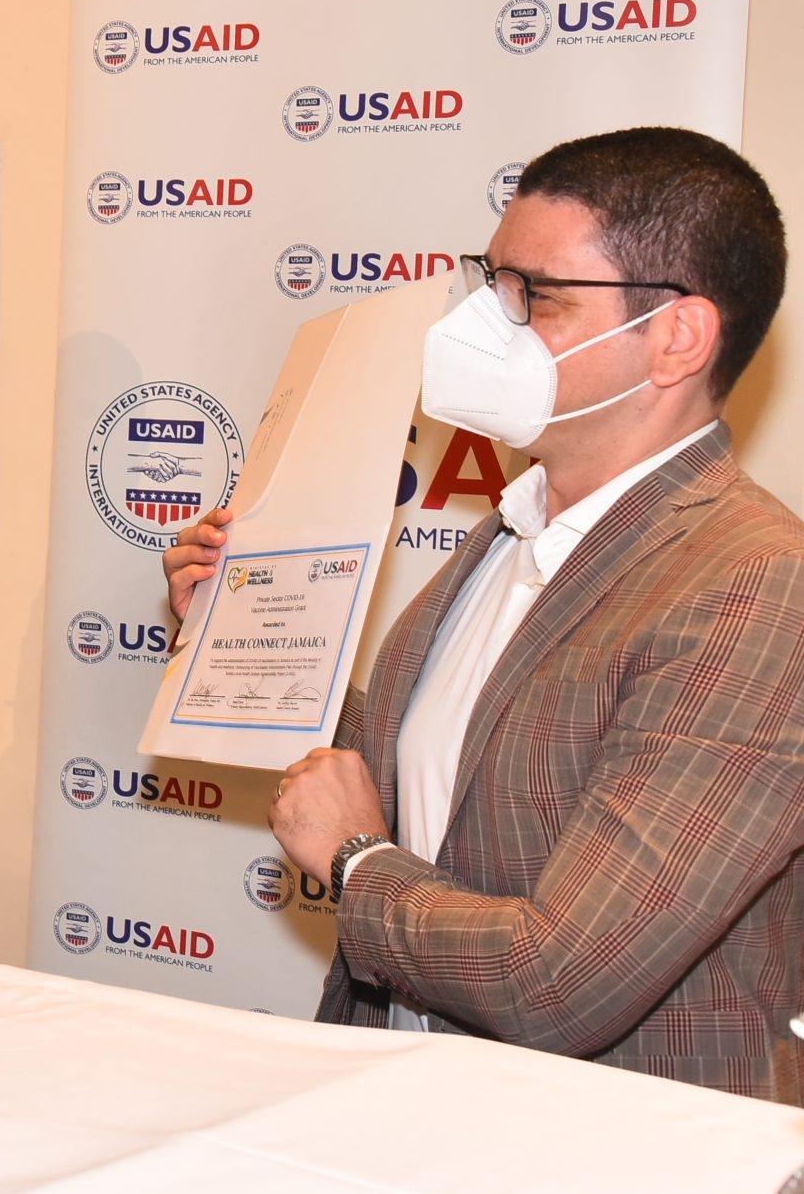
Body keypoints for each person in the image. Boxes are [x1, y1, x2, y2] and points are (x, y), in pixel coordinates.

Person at [166, 127, 804, 1100]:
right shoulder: (511, 529)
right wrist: (236, 633)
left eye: (533, 295)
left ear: (676, 337)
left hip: (604, 1142)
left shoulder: (754, 585)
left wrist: (355, 863)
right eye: (489, 280)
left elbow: (558, 980)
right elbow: (421, 787)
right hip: (413, 1102)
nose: (482, 323)